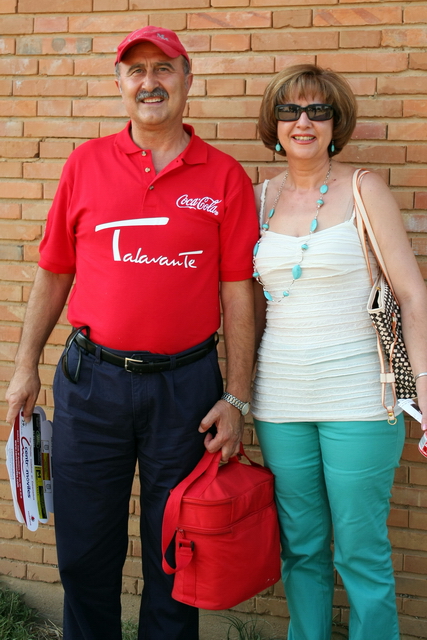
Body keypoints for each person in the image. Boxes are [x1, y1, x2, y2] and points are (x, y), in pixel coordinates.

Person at [6, 26, 258, 640]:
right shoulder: (85, 164)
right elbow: (54, 270)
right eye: (136, 71)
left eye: (164, 69)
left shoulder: (224, 178)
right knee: (84, 549)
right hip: (91, 384)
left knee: (176, 548)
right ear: (120, 85)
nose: (151, 83)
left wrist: (237, 397)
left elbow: (238, 297)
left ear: (187, 79)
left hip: (188, 390)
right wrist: (23, 364)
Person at [251, 63, 427, 640]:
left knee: (359, 551)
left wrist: (425, 390)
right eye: (290, 110)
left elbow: (412, 294)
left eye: (317, 111)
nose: (303, 122)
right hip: (280, 401)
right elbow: (246, 307)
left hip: (360, 398)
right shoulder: (257, 200)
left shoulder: (363, 188)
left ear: (335, 122)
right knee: (300, 549)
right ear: (273, 122)